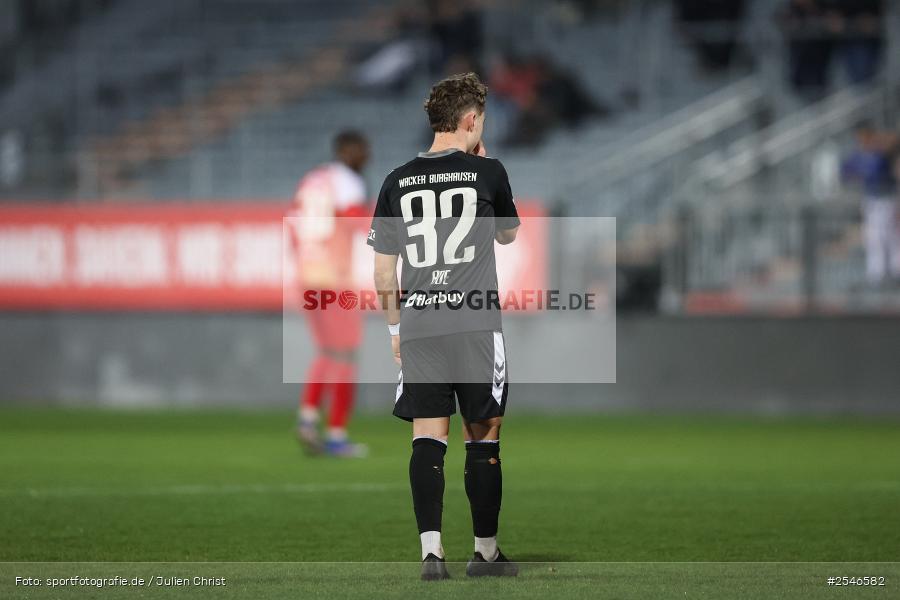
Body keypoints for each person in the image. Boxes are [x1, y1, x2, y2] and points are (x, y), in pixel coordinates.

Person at [368, 73, 520, 580]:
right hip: (475, 323)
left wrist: (394, 327)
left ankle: (432, 554)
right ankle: (486, 552)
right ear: (471, 119)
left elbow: (384, 269)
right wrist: (484, 166)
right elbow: (508, 237)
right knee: (484, 435)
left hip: (419, 324)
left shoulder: (395, 179)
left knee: (427, 437)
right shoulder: (489, 171)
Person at [289, 130, 371, 457]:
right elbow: (355, 222)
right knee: (346, 355)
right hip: (334, 279)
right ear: (348, 151)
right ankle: (337, 435)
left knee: (326, 352)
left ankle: (308, 419)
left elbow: (296, 226)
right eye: (363, 151)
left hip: (308, 276)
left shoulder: (313, 179)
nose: (367, 158)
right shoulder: (347, 181)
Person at [841, 121, 899, 286]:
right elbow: (846, 170)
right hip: (872, 200)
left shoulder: (882, 152)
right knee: (874, 237)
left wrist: (879, 142)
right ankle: (877, 275)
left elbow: (894, 142)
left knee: (889, 236)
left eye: (866, 137)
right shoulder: (862, 155)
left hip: (887, 199)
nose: (863, 141)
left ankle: (893, 272)